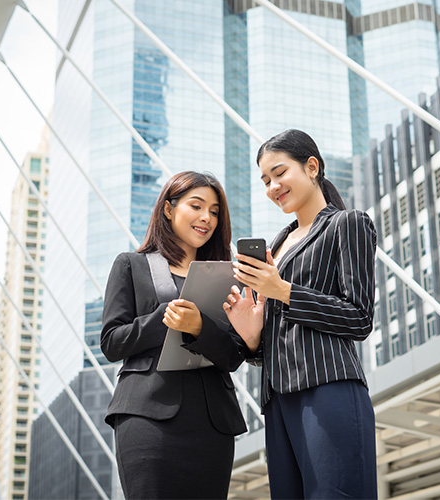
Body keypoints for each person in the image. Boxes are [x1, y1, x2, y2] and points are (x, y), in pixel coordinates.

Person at [224, 129, 378, 499]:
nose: (272, 187)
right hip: (277, 400)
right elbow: (274, 339)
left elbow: (359, 318)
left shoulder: (347, 223)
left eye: (279, 173)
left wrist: (283, 290)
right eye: (265, 181)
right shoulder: (277, 243)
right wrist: (251, 336)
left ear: (312, 167)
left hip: (328, 388)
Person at [101, 171, 247, 499]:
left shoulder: (228, 277)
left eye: (214, 211)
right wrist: (164, 319)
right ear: (169, 209)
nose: (206, 217)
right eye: (196, 206)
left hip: (213, 423)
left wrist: (199, 328)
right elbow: (111, 341)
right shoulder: (131, 266)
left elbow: (235, 355)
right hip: (147, 416)